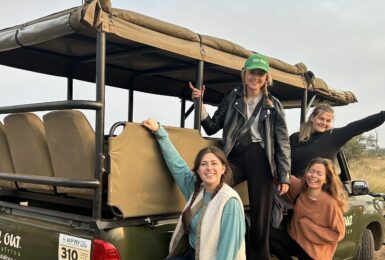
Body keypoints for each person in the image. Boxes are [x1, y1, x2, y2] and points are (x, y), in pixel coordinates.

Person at [189, 53, 291, 259]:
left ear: (266, 78)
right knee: (215, 188)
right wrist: (199, 104)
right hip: (235, 156)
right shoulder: (232, 97)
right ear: (244, 73)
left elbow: (282, 141)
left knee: (261, 215)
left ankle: (259, 256)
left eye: (261, 74)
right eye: (253, 72)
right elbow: (211, 127)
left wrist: (284, 176)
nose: (256, 77)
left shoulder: (273, 104)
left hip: (262, 159)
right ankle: (208, 239)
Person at [142, 118, 246, 260]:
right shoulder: (196, 190)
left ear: (223, 169)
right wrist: (160, 133)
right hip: (193, 255)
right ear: (198, 170)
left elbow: (228, 251)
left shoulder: (229, 201)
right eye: (204, 164)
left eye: (214, 163)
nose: (209, 168)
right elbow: (177, 166)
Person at [270, 157, 348, 260]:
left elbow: (338, 233)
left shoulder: (331, 204)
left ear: (326, 179)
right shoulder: (300, 190)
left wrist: (308, 226)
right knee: (266, 233)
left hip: (315, 253)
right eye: (311, 171)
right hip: (297, 242)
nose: (313, 176)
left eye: (319, 174)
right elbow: (283, 177)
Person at [290, 103, 385, 178]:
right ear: (312, 118)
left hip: (319, 190)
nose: (324, 123)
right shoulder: (295, 137)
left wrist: (383, 115)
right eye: (321, 119)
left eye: (328, 121)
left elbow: (359, 126)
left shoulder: (333, 136)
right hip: (292, 189)